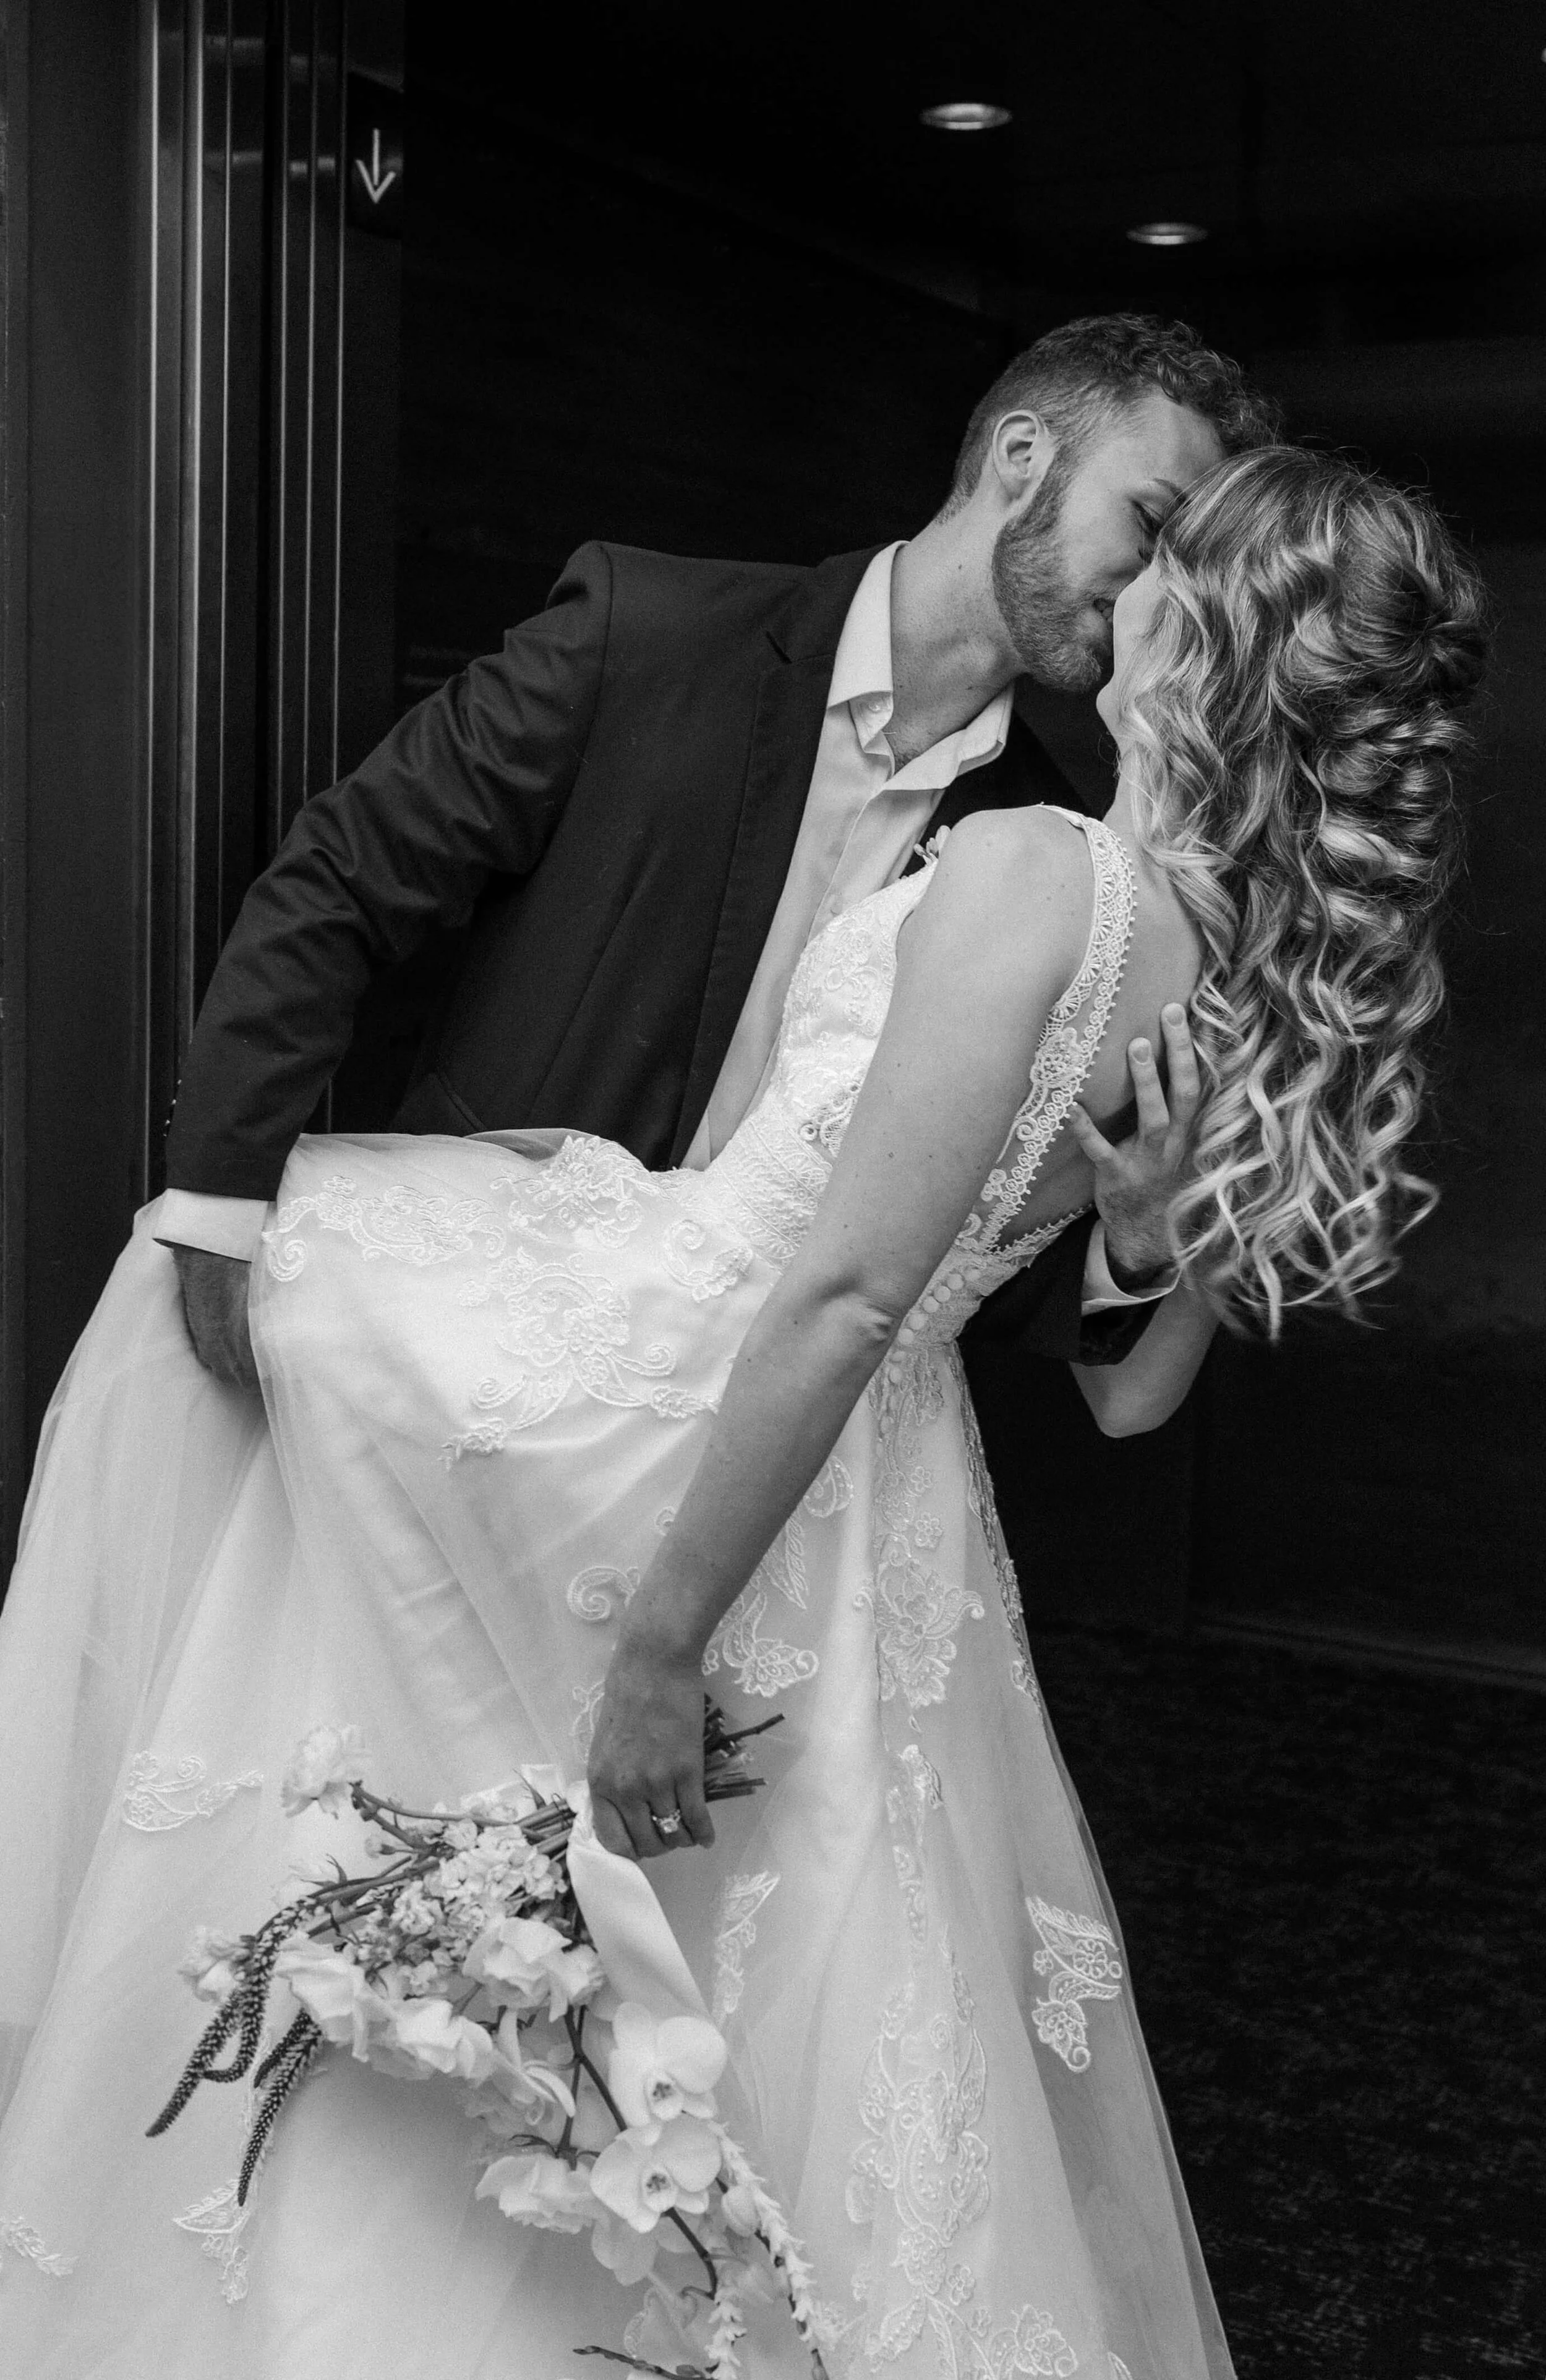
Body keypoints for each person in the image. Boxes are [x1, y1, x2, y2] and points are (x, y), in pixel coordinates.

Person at [0, 446, 1486, 2378]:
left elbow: (851, 1289)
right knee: (760, 1962)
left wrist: (662, 1642)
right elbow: (1130, 1401)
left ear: (1202, 643)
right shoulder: (1250, 975)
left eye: (1169, 574)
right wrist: (1131, 1225)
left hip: (709, 1410)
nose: (1126, 598)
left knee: (239, 1330)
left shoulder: (1042, 873)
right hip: (880, 1489)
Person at [161, 315, 1282, 1423]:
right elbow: (343, 879)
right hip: (452, 1350)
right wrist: (220, 1206)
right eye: (1153, 523)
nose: (1161, 589)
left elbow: (949, 1240)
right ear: (1022, 456)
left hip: (747, 1451)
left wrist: (1134, 1251)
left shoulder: (1047, 845)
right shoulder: (641, 636)